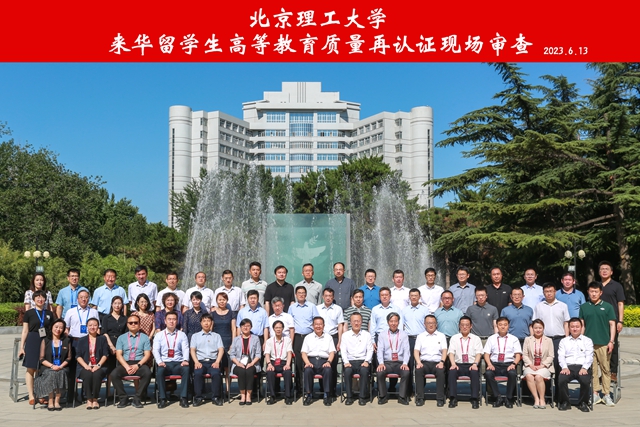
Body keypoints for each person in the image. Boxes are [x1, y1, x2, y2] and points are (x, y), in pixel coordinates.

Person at [579, 281, 616, 407]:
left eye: (596, 291)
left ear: (601, 293)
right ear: (588, 292)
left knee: (606, 369)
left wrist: (611, 341)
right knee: (592, 370)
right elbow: (582, 325)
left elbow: (612, 324)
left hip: (604, 343)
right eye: (591, 291)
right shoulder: (584, 307)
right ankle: (595, 393)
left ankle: (606, 394)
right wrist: (581, 341)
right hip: (589, 344)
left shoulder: (608, 307)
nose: (593, 294)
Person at [64, 289, 100, 404]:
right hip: (74, 341)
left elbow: (98, 328)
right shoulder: (71, 311)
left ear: (89, 299)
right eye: (81, 297)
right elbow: (66, 328)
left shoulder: (94, 312)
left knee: (87, 367)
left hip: (89, 342)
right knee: (72, 368)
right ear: (77, 299)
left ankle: (86, 394)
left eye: (86, 297)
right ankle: (71, 395)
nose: (84, 299)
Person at [19, 289, 54, 405]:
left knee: (41, 369)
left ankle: (40, 394)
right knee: (31, 368)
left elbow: (53, 329)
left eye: (42, 297)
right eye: (38, 297)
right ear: (33, 300)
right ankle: (31, 395)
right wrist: (22, 347)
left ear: (45, 299)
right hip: (33, 340)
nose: (40, 299)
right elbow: (25, 330)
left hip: (45, 341)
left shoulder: (49, 314)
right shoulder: (29, 313)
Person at [112, 313, 152, 408]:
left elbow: (147, 354)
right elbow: (118, 355)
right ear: (127, 324)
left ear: (139, 324)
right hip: (125, 363)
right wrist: (126, 366)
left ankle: (137, 398)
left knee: (147, 373)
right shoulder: (121, 338)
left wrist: (138, 365)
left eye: (135, 322)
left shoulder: (145, 337)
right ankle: (123, 398)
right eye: (131, 323)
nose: (133, 324)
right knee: (114, 374)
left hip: (139, 363)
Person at [533, 282, 569, 382]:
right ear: (543, 293)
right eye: (546, 291)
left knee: (559, 364)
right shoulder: (539, 306)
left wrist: (566, 339)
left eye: (551, 291)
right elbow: (535, 324)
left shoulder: (563, 306)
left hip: (559, 339)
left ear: (555, 292)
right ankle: (546, 389)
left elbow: (566, 323)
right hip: (544, 339)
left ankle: (558, 389)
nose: (549, 293)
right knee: (544, 364)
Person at [153, 311, 190, 408]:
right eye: (169, 319)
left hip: (178, 363)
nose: (171, 321)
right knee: (160, 371)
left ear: (177, 321)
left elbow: (185, 348)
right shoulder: (159, 335)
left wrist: (185, 360)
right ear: (165, 321)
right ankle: (163, 398)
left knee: (186, 369)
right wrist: (159, 361)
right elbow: (155, 350)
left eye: (174, 319)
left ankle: (183, 397)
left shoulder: (182, 334)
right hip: (165, 363)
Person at [483, 316, 522, 408]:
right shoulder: (491, 338)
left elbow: (518, 355)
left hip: (509, 364)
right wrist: (489, 364)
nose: (503, 327)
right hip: (495, 364)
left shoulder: (514, 339)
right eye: (500, 325)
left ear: (508, 326)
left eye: (505, 325)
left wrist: (514, 364)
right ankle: (497, 397)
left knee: (512, 374)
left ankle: (509, 398)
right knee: (488, 374)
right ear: (497, 326)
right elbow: (486, 354)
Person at [557, 317, 594, 412]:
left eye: (577, 327)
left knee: (585, 380)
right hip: (568, 366)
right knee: (561, 379)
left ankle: (583, 402)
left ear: (581, 327)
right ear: (569, 328)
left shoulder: (587, 340)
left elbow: (589, 356)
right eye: (572, 327)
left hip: (582, 366)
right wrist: (564, 367)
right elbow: (561, 356)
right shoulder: (564, 341)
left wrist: (585, 368)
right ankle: (565, 402)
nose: (575, 329)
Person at [34, 319, 71, 411]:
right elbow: (41, 358)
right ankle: (50, 400)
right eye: (56, 327)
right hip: (48, 367)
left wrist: (61, 366)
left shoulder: (66, 341)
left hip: (62, 367)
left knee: (60, 373)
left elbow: (69, 358)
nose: (58, 329)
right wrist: (52, 366)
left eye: (61, 328)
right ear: (51, 327)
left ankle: (57, 401)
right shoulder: (46, 340)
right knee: (52, 373)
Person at [598, 260, 625, 382]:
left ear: (611, 272)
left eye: (606, 269)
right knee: (599, 347)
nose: (604, 271)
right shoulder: (597, 286)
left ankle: (613, 372)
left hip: (612, 321)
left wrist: (620, 321)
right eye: (602, 269)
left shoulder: (617, 286)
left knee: (612, 345)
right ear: (599, 272)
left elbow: (620, 304)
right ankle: (603, 372)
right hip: (598, 321)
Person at [289, 286, 319, 395]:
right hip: (297, 337)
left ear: (306, 295)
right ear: (296, 295)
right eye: (299, 293)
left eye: (303, 293)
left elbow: (316, 321)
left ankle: (309, 388)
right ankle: (298, 387)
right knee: (298, 363)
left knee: (308, 362)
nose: (301, 295)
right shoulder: (292, 307)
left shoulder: (312, 306)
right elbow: (289, 323)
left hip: (309, 337)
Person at [448, 316, 483, 409]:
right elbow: (451, 352)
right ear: (459, 326)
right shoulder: (454, 338)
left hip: (471, 364)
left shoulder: (476, 338)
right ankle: (453, 398)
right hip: (458, 364)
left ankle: (474, 398)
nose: (464, 327)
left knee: (475, 373)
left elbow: (479, 353)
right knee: (452, 372)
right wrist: (453, 364)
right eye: (462, 325)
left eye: (467, 325)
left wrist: (475, 364)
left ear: (471, 326)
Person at [375, 312, 411, 405]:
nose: (393, 323)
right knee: (380, 372)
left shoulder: (404, 334)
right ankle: (383, 396)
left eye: (395, 321)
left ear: (398, 322)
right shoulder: (382, 334)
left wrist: (405, 363)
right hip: (387, 363)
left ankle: (402, 397)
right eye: (391, 321)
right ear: (388, 322)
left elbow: (406, 350)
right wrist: (381, 363)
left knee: (406, 372)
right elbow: (380, 350)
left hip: (399, 363)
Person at [190, 313, 224, 406]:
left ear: (211, 323)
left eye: (208, 321)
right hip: (200, 361)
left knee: (216, 373)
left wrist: (217, 362)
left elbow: (221, 349)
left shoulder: (216, 336)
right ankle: (198, 397)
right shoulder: (195, 336)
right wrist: (196, 362)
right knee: (197, 373)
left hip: (213, 361)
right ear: (201, 323)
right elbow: (192, 350)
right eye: (204, 321)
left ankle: (216, 397)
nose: (206, 323)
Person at [301, 316, 336, 406]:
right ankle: (309, 395)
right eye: (316, 324)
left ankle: (326, 395)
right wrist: (307, 362)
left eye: (320, 324)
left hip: (324, 361)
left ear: (324, 326)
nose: (318, 326)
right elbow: (304, 353)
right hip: (311, 361)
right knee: (307, 370)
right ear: (313, 326)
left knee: (328, 370)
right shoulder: (308, 337)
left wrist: (328, 362)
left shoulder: (328, 337)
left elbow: (332, 352)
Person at [414, 315, 447, 407]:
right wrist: (418, 362)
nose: (431, 325)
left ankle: (440, 398)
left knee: (441, 372)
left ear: (436, 324)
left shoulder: (441, 336)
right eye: (428, 323)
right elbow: (416, 351)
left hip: (437, 362)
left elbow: (444, 350)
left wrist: (442, 362)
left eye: (433, 323)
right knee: (418, 370)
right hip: (424, 362)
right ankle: (420, 398)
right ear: (424, 324)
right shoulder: (420, 336)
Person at [75, 317, 109, 409]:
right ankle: (89, 399)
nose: (92, 327)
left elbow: (105, 354)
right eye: (90, 325)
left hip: (99, 365)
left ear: (98, 327)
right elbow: (78, 356)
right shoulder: (81, 340)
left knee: (97, 374)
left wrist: (98, 365)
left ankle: (95, 399)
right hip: (85, 366)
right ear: (87, 327)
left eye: (95, 325)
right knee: (88, 374)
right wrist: (86, 366)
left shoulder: (102, 339)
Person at [317, 287, 345, 397]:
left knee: (333, 363)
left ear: (333, 297)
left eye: (330, 296)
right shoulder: (317, 308)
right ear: (322, 297)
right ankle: (322, 388)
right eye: (326, 296)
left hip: (333, 337)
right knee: (321, 361)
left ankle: (332, 389)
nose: (328, 298)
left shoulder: (338, 309)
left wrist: (339, 341)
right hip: (321, 337)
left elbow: (340, 325)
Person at [341, 312, 373, 406]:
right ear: (350, 322)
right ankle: (349, 397)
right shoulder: (345, 335)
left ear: (361, 322)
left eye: (358, 321)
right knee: (347, 371)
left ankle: (362, 397)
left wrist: (367, 361)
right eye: (354, 321)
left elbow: (370, 350)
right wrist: (346, 362)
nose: (356, 323)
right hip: (350, 361)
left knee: (364, 371)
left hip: (363, 361)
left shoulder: (367, 335)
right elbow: (343, 350)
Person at [522, 319, 554, 409]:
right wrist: (530, 365)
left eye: (540, 328)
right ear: (532, 329)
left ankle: (542, 399)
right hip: (530, 366)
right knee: (529, 376)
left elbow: (551, 356)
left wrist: (542, 365)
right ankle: (536, 398)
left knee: (538, 377)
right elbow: (525, 355)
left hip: (544, 366)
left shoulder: (549, 340)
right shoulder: (527, 339)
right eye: (536, 328)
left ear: (543, 328)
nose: (538, 330)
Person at [401, 288, 429, 392]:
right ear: (409, 297)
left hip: (421, 339)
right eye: (412, 296)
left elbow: (428, 325)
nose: (413, 297)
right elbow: (401, 326)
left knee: (421, 363)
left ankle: (420, 388)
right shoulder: (404, 310)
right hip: (409, 339)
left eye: (416, 295)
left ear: (419, 297)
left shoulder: (425, 310)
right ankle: (408, 389)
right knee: (409, 363)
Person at [229, 318, 262, 405]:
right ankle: (242, 395)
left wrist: (252, 363)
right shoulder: (236, 339)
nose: (245, 328)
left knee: (249, 371)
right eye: (243, 326)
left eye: (248, 326)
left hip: (252, 363)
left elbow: (258, 354)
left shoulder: (255, 338)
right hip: (238, 363)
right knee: (241, 371)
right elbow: (232, 355)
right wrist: (238, 363)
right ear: (240, 327)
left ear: (251, 327)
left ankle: (248, 395)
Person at [101, 296, 127, 396]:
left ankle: (118, 391)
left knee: (119, 368)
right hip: (109, 343)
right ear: (112, 304)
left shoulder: (125, 318)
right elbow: (104, 333)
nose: (117, 305)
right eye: (115, 303)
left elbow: (126, 334)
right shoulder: (106, 318)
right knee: (110, 368)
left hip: (122, 344)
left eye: (119, 303)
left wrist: (121, 347)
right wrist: (111, 346)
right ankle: (108, 392)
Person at [264, 320, 294, 405]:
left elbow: (289, 353)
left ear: (283, 329)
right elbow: (267, 354)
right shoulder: (269, 341)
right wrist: (269, 364)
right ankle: (272, 396)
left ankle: (287, 396)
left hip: (284, 362)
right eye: (276, 328)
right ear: (273, 329)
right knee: (270, 372)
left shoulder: (287, 340)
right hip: (273, 362)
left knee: (287, 372)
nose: (278, 329)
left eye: (280, 328)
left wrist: (288, 364)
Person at [212, 291, 237, 387]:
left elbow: (233, 329)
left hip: (228, 341)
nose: (222, 301)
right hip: (216, 342)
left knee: (227, 367)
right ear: (216, 301)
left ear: (227, 301)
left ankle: (227, 390)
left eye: (224, 299)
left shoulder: (231, 313)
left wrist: (233, 342)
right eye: (220, 300)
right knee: (217, 365)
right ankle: (218, 389)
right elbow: (211, 329)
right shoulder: (213, 314)